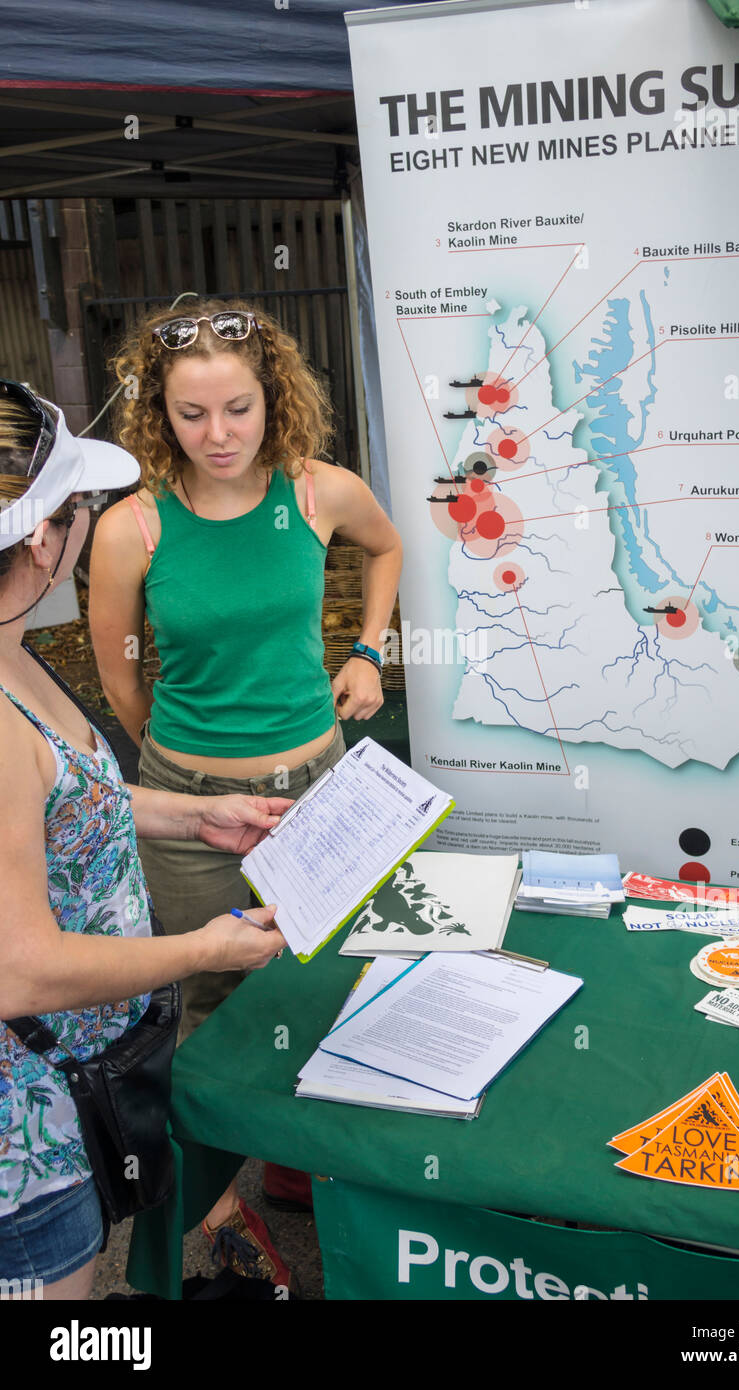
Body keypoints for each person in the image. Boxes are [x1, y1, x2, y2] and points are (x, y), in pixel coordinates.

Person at [87, 300, 402, 1272]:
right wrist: (186, 768)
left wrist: (366, 652)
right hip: (186, 809)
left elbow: (386, 547)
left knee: (323, 971)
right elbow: (120, 677)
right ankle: (220, 1212)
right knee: (201, 996)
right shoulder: (130, 526)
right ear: (158, 415)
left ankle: (299, 1161)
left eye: (237, 408)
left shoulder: (315, 492)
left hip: (318, 783)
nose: (217, 434)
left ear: (274, 400)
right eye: (192, 414)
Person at [0, 380, 287, 1300]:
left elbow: (63, 802)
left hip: (62, 1084)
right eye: (79, 505)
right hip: (24, 1133)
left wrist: (187, 814)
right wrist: (203, 947)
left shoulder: (10, 644)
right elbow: (18, 968)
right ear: (44, 537)